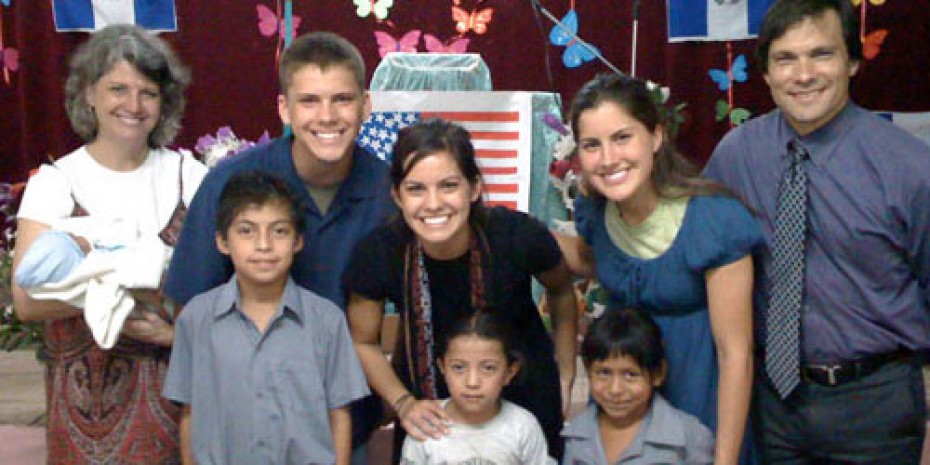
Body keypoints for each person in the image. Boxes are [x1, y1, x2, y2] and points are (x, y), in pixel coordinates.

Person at [703, 0, 930, 462]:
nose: (803, 74)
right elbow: (691, 243)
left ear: (851, 61)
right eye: (785, 59)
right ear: (765, 73)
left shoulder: (911, 168)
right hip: (774, 405)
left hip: (877, 404)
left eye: (821, 55)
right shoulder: (736, 157)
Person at [163, 31, 394, 462]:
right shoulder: (231, 185)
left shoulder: (390, 193)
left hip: (340, 423)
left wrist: (394, 398)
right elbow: (190, 309)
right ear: (284, 107)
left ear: (365, 104)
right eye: (309, 101)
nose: (327, 116)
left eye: (342, 99)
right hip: (241, 427)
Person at [10, 24, 207, 463]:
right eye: (118, 88)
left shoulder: (189, 176)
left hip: (176, 397)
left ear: (165, 102)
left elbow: (218, 285)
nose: (133, 105)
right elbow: (26, 301)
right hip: (84, 412)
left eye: (148, 92)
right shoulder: (58, 183)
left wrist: (172, 330)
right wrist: (122, 287)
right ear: (88, 95)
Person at [557, 73, 761, 465]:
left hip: (701, 397)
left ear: (655, 136)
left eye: (622, 138)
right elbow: (598, 263)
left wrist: (725, 459)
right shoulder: (596, 211)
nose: (608, 158)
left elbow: (735, 353)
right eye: (592, 146)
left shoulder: (712, 221)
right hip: (624, 401)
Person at [344, 118, 578, 461]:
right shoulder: (379, 252)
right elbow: (363, 340)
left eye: (449, 186)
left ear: (474, 187)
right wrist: (403, 403)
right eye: (416, 189)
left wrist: (566, 371)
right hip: (427, 406)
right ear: (397, 195)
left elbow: (561, 291)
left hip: (523, 390)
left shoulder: (517, 236)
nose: (433, 203)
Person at [163, 171, 369, 465]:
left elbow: (339, 413)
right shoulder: (196, 318)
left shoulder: (326, 320)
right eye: (246, 231)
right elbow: (190, 411)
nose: (264, 245)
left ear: (298, 241)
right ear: (222, 241)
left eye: (279, 231)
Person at [399, 310, 555, 464]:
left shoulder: (522, 427)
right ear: (442, 368)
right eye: (459, 367)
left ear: (509, 372)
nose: (472, 382)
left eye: (488, 368)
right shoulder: (425, 424)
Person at [562, 308, 714, 464]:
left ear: (658, 374)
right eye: (604, 373)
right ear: (588, 370)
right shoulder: (575, 436)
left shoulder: (687, 438)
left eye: (630, 375)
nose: (615, 389)